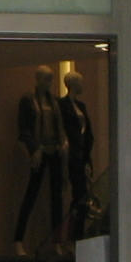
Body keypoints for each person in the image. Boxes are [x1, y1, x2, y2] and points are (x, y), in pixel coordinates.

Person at [12, 65, 65, 255]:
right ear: (38, 79)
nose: (49, 83)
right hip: (39, 151)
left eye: (51, 79)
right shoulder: (28, 101)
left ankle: (57, 241)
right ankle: (18, 240)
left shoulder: (55, 102)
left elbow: (59, 127)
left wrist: (62, 143)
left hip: (54, 151)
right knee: (31, 195)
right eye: (46, 78)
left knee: (57, 198)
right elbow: (24, 129)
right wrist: (34, 148)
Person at [58, 71, 93, 247]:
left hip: (81, 155)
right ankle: (72, 236)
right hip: (71, 156)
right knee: (78, 194)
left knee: (83, 195)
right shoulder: (62, 105)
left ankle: (76, 235)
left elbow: (88, 133)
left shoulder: (81, 105)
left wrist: (87, 158)